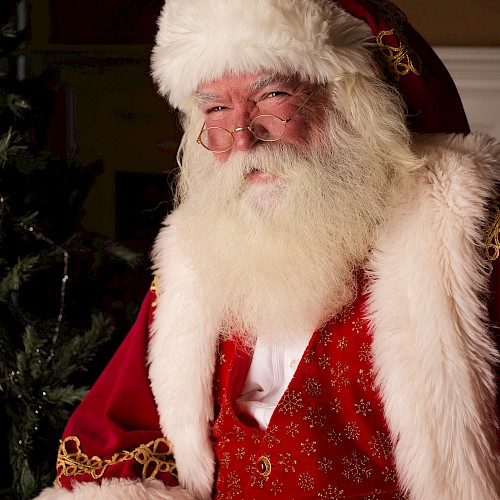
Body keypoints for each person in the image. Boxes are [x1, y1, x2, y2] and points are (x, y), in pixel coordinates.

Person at [37, 0, 500, 498]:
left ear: (352, 104)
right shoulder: (198, 256)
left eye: (272, 96)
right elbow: (118, 438)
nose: (242, 138)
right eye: (216, 108)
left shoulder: (465, 243)